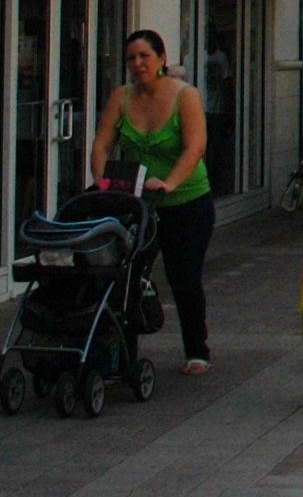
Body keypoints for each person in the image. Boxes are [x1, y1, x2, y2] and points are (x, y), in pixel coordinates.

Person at [90, 29, 213, 374]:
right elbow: (102, 145)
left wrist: (170, 183)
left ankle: (197, 349)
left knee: (183, 277)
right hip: (136, 204)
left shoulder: (184, 96)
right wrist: (105, 184)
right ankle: (119, 355)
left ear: (161, 59)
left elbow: (196, 146)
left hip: (186, 202)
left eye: (145, 56)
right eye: (131, 58)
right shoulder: (121, 97)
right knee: (125, 276)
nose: (138, 63)